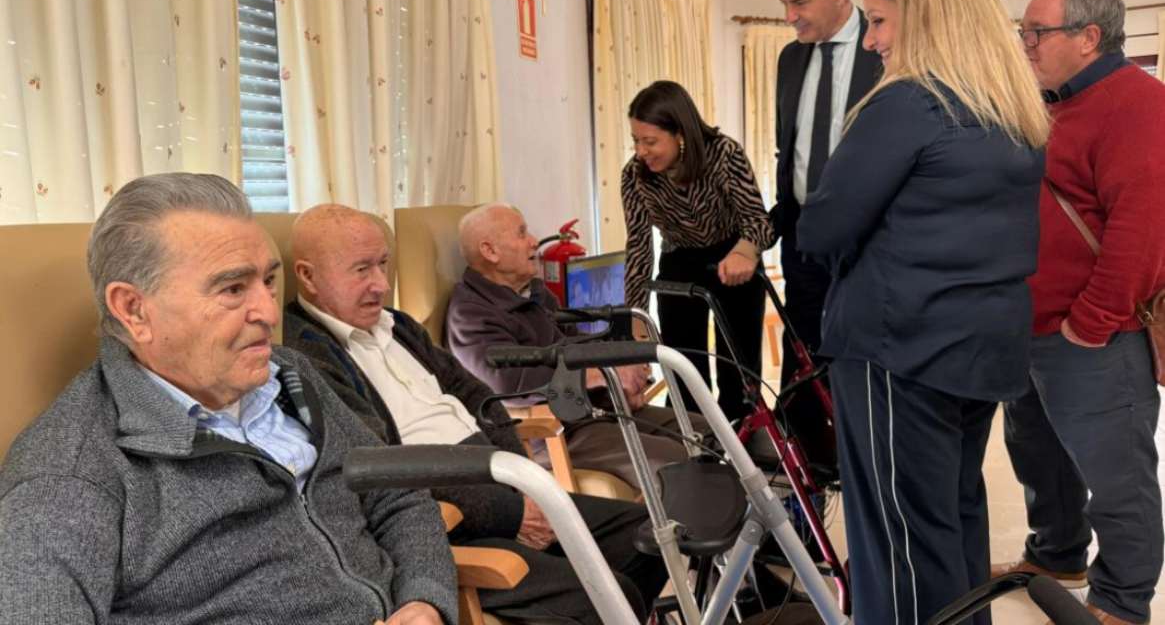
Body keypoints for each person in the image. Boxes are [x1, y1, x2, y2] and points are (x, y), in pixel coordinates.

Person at [0, 173, 456, 625]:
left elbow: (397, 493)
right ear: (134, 310)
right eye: (233, 289)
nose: (268, 311)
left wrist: (426, 600)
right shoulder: (69, 475)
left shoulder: (291, 377)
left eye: (268, 282)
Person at [797, 0, 1048, 624]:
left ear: (927, 13)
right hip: (978, 346)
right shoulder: (1011, 110)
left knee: (899, 538)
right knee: (953, 521)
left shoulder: (908, 103)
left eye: (878, 20)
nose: (871, 40)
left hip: (897, 349)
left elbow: (820, 228)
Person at [282, 204, 668, 625]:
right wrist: (510, 511)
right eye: (361, 270)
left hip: (503, 480)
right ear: (307, 276)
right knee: (611, 597)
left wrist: (520, 482)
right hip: (450, 516)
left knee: (649, 539)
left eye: (383, 264)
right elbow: (384, 467)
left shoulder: (397, 324)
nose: (380, 284)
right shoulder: (308, 355)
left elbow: (475, 393)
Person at [995, 0, 1165, 625]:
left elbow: (1142, 230)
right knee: (1040, 460)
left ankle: (1120, 603)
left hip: (1091, 335)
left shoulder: (1137, 104)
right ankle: (1056, 553)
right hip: (1031, 327)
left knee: (1116, 477)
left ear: (1088, 36)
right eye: (1024, 31)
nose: (1025, 43)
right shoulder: (1054, 100)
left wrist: (1088, 325)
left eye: (1037, 31)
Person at [446, 202, 696, 491]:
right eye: (521, 233)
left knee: (706, 431)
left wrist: (628, 367)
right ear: (490, 251)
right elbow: (505, 381)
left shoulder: (533, 293)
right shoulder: (471, 312)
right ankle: (689, 533)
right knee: (678, 461)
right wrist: (604, 376)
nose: (533, 241)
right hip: (554, 429)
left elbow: (577, 342)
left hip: (592, 409)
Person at [771, 0, 882, 469]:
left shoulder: (888, 51)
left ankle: (868, 459)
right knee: (806, 358)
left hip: (870, 244)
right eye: (785, 5)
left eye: (800, 3)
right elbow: (787, 148)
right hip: (803, 241)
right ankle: (818, 465)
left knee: (863, 361)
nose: (791, 17)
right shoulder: (791, 60)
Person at [622, 80, 774, 423]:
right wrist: (636, 317)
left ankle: (744, 440)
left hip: (734, 256)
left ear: (680, 134)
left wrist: (745, 252)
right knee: (683, 366)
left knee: (738, 370)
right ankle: (695, 445)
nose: (641, 151)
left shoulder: (723, 153)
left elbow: (758, 220)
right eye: (635, 140)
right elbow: (638, 246)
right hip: (679, 260)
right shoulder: (634, 176)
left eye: (650, 141)